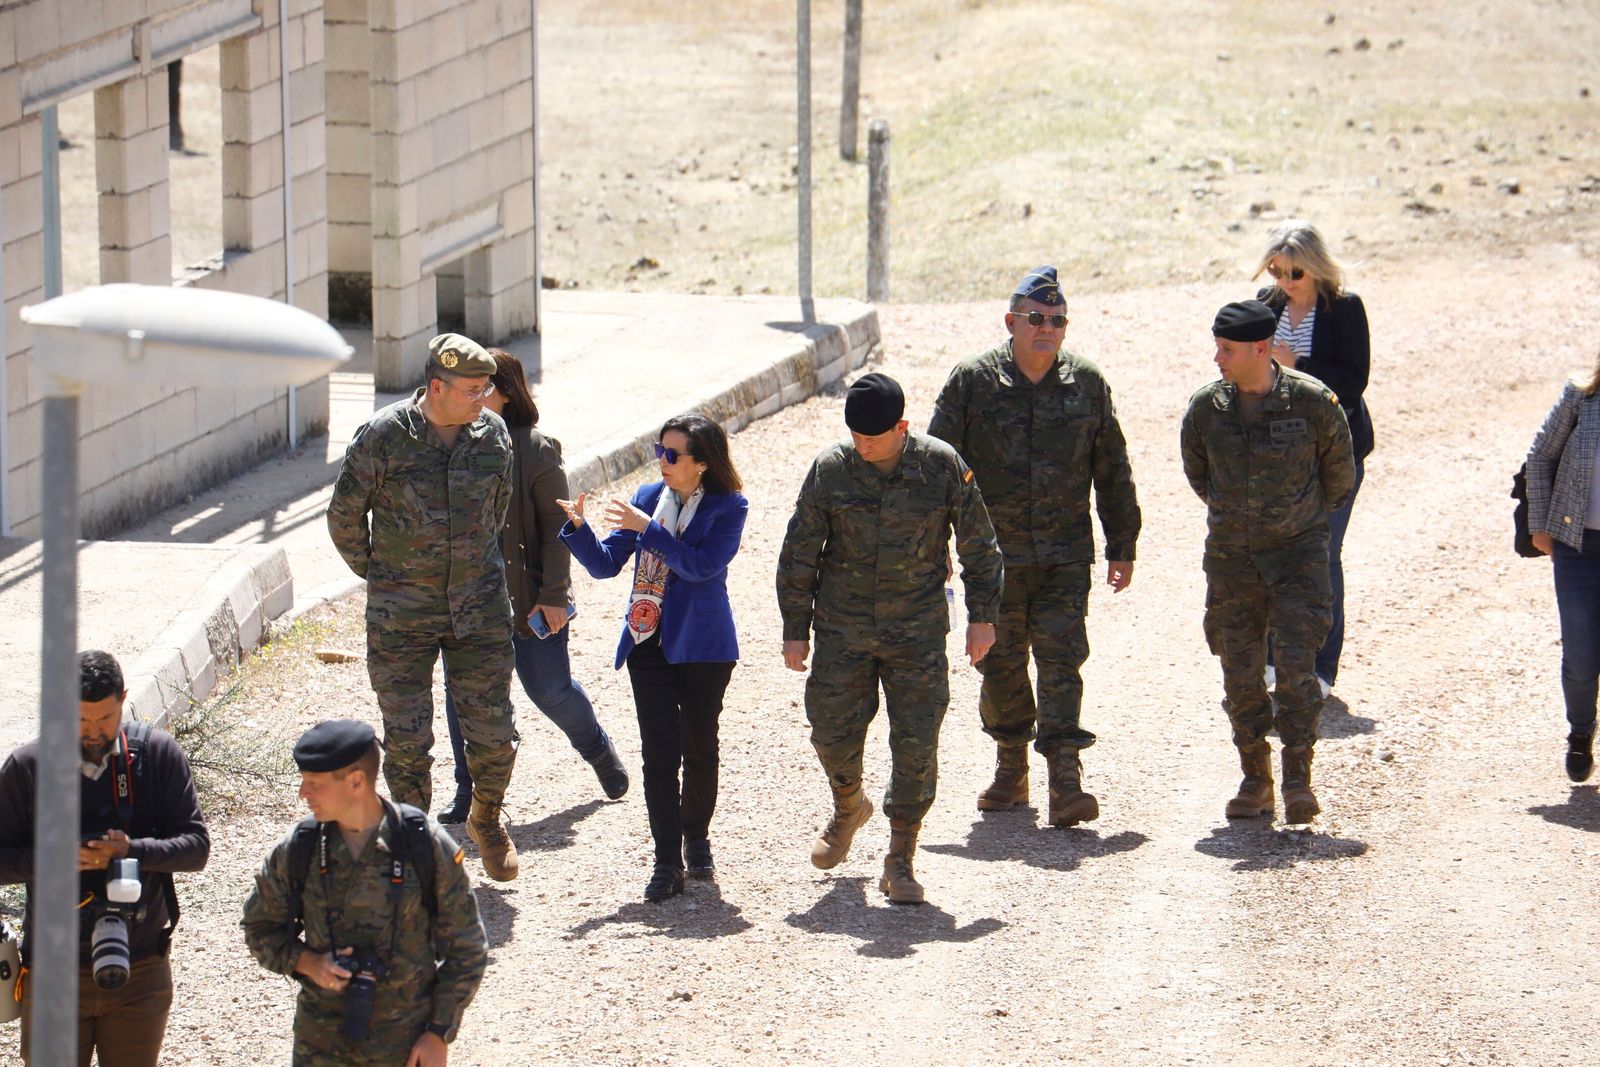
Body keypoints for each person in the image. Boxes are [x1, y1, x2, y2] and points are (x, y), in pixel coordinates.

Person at [778, 373, 1004, 904]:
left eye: (873, 438)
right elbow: (800, 550)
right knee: (830, 730)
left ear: (902, 426)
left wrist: (982, 617)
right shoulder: (832, 470)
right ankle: (849, 803)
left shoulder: (940, 465)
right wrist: (795, 628)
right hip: (842, 630)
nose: (862, 445)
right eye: (855, 435)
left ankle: (900, 856)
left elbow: (979, 543)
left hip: (917, 634)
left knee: (916, 744)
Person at [928, 266, 1140, 827]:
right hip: (992, 559)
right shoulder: (973, 382)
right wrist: (934, 541)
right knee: (999, 664)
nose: (1047, 328)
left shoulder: (1087, 384)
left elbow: (1111, 467)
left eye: (1057, 320)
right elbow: (936, 467)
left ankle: (1065, 778)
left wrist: (1123, 541)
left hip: (1065, 556)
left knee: (1062, 659)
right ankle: (1010, 763)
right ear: (1012, 322)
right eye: (1036, 319)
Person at [326, 333, 520, 881]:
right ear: (437, 386)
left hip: (478, 611)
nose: (483, 399)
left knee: (495, 734)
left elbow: (496, 511)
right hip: (401, 618)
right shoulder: (384, 437)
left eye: (487, 389)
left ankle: (486, 819)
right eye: (472, 390)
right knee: (408, 739)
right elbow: (344, 518)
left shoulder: (493, 436)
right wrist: (384, 575)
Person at [558, 415, 747, 902]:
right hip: (648, 642)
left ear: (702, 463)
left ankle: (697, 837)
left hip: (704, 647)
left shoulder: (729, 507)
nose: (660, 461)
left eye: (672, 454)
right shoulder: (646, 499)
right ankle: (667, 863)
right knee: (659, 756)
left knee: (699, 748)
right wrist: (578, 529)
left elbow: (701, 567)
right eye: (658, 450)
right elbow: (605, 564)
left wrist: (650, 531)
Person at [1181, 301, 1355, 824]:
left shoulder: (1314, 402)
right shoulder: (1207, 409)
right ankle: (1256, 778)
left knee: (1298, 669)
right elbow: (1199, 477)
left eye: (1227, 349)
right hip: (1232, 563)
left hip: (1298, 560)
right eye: (1216, 347)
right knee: (1240, 674)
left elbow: (1339, 478)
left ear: (1261, 348)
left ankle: (1299, 778)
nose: (1218, 358)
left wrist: (1292, 521)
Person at [436, 349, 628, 823]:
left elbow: (554, 526)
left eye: (483, 387)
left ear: (507, 392)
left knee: (551, 690)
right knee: (464, 697)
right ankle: (469, 794)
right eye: (468, 387)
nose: (474, 396)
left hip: (529, 601)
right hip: (467, 606)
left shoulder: (537, 449)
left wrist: (554, 595)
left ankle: (599, 752)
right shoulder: (450, 444)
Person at [0, 650, 210, 1066]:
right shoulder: (28, 768)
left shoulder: (157, 755)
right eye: (80, 721)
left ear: (124, 699)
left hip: (141, 965)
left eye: (105, 720)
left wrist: (132, 850)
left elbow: (196, 847)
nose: (94, 733)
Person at [241, 720, 487, 1067]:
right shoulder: (300, 848)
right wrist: (308, 962)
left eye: (314, 784)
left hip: (406, 1045)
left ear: (356, 781)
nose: (303, 793)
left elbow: (467, 946)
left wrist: (439, 1032)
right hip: (321, 1045)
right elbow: (259, 928)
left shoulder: (422, 845)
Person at [1253, 221, 1374, 697]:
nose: (1285, 281)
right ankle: (1268, 662)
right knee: (1272, 554)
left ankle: (1322, 669)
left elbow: (1353, 381)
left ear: (1317, 267)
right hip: (1276, 454)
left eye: (1295, 272)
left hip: (1335, 452)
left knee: (1323, 557)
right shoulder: (1267, 304)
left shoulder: (1345, 309)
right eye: (1276, 270)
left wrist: (1296, 365)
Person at [1525, 352, 1600, 781]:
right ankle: (1580, 730)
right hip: (1579, 548)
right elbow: (1540, 456)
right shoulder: (1580, 396)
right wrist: (1539, 523)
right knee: (1581, 655)